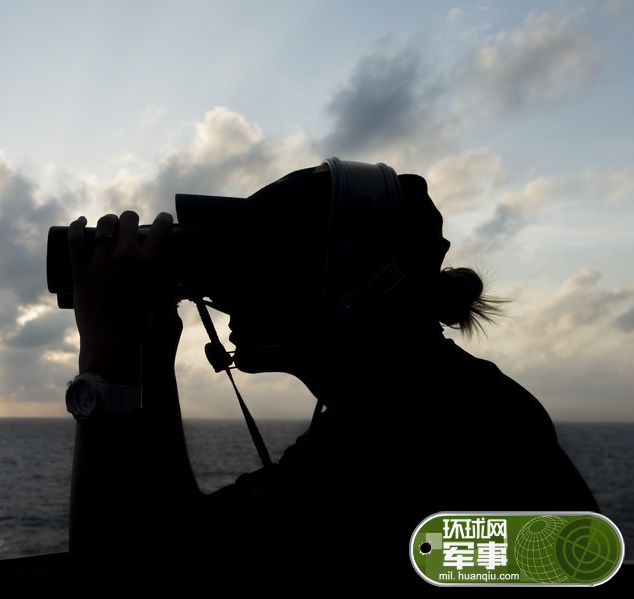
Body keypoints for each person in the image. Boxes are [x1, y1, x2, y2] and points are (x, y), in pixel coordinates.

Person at [62, 158, 599, 587]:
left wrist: (105, 354)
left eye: (262, 266)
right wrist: (152, 353)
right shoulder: (429, 400)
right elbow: (188, 537)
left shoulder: (407, 440)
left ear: (352, 291)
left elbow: (119, 582)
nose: (227, 294)